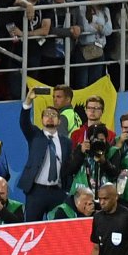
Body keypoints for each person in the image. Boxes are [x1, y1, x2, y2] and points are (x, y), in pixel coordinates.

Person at [16, 91, 82, 222]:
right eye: (46, 115)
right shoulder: (34, 135)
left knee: (59, 228)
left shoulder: (66, 142)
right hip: (36, 191)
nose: (50, 117)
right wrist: (28, 101)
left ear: (59, 121)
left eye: (53, 115)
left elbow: (68, 167)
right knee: (32, 229)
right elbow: (24, 122)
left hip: (57, 191)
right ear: (42, 120)